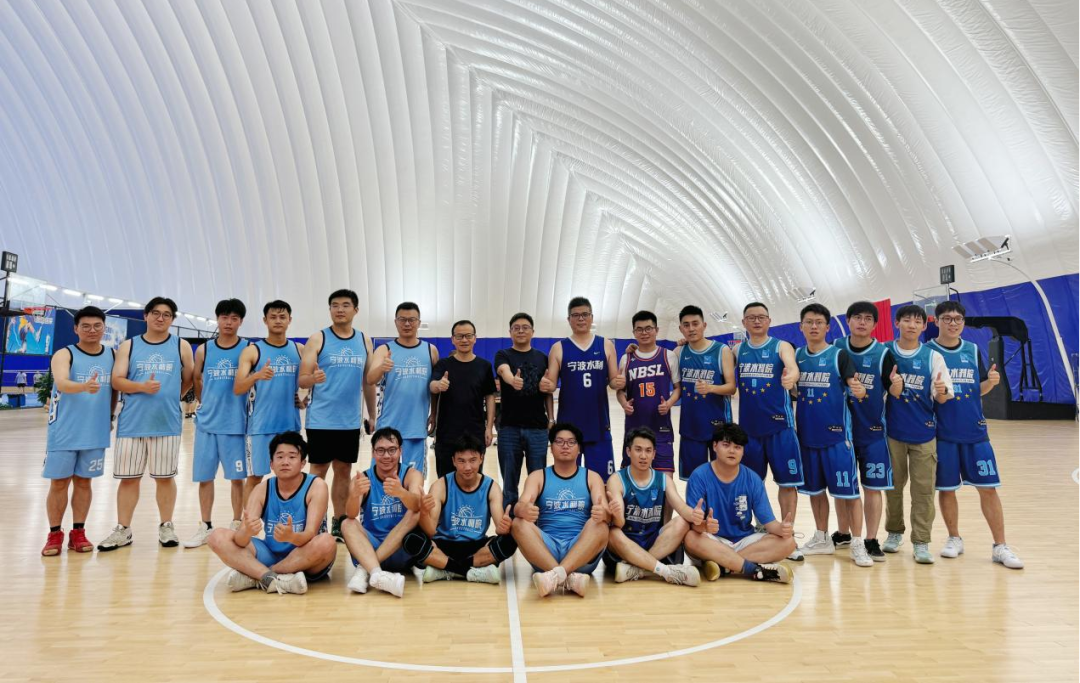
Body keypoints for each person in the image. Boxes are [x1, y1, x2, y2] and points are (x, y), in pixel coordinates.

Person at [928, 301, 1023, 569]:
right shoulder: (928, 352)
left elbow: (976, 388)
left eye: (958, 319)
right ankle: (954, 538)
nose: (953, 323)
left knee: (988, 488)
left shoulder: (971, 349)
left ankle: (1000, 546)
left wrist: (990, 384)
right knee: (947, 489)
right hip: (943, 433)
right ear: (937, 321)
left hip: (975, 431)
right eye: (947, 318)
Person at [98, 297, 195, 551]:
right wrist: (142, 387)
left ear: (172, 319)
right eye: (155, 313)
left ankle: (166, 526)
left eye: (166, 314)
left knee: (165, 477)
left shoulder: (181, 346)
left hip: (166, 422)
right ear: (146, 316)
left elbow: (188, 379)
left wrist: (171, 396)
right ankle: (123, 529)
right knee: (129, 479)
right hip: (132, 423)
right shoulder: (129, 346)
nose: (160, 318)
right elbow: (117, 380)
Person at [206, 431, 336, 595]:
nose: (285, 462)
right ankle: (274, 578)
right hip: (270, 553)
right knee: (216, 537)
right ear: (271, 464)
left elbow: (310, 534)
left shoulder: (316, 486)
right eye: (279, 457)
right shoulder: (262, 489)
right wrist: (247, 532)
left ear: (303, 463)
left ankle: (260, 576)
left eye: (292, 457)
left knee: (327, 542)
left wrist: (291, 537)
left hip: (305, 555)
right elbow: (240, 540)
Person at [792, 304, 872, 567]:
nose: (814, 326)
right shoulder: (796, 356)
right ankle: (822, 537)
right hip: (807, 437)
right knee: (815, 492)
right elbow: (792, 389)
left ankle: (857, 542)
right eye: (809, 322)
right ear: (801, 327)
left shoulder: (839, 355)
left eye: (819, 322)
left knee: (849, 493)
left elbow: (856, 388)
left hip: (837, 438)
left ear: (827, 327)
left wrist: (860, 391)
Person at [299, 289, 377, 542]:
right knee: (317, 472)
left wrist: (372, 414)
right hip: (321, 420)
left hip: (349, 421)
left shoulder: (364, 340)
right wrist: (312, 379)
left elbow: (368, 381)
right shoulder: (317, 339)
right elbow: (302, 379)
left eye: (345, 305)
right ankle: (314, 522)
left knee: (344, 472)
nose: (339, 309)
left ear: (356, 310)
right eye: (334, 305)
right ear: (330, 309)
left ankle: (339, 522)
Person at [41, 306, 117, 556]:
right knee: (59, 483)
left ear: (104, 328)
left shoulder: (112, 355)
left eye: (97, 326)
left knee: (84, 483)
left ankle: (78, 533)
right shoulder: (65, 354)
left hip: (95, 432)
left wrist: (110, 416)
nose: (92, 330)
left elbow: (114, 390)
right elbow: (62, 382)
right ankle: (54, 534)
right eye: (85, 326)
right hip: (64, 431)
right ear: (76, 329)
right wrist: (84, 386)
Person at [883, 305, 954, 564]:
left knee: (923, 491)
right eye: (906, 320)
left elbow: (943, 398)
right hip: (892, 433)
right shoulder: (885, 352)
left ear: (925, 326)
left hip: (924, 433)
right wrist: (892, 388)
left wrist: (941, 390)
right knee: (892, 487)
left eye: (917, 322)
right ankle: (894, 532)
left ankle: (922, 542)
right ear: (897, 323)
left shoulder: (933, 357)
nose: (911, 325)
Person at [833, 301, 903, 561]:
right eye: (857, 317)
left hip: (872, 432)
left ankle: (871, 539)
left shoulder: (883, 354)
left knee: (872, 488)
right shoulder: (836, 348)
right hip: (840, 433)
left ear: (875, 324)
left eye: (867, 318)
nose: (862, 322)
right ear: (848, 320)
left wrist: (897, 383)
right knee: (844, 487)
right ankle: (844, 533)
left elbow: (895, 392)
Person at [683, 423, 795, 584]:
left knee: (789, 542)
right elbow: (695, 527)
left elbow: (770, 524)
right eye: (726, 445)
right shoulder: (699, 476)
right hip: (713, 540)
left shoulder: (753, 479)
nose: (732, 451)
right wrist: (705, 526)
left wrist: (782, 529)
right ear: (715, 446)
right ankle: (749, 567)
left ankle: (724, 565)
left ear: (743, 451)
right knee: (690, 538)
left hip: (744, 541)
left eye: (737, 447)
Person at [512, 423, 610, 598]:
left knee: (601, 526)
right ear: (551, 448)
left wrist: (605, 513)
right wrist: (523, 510)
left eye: (571, 442)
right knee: (518, 524)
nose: (565, 446)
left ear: (579, 449)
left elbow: (606, 513)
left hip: (581, 551)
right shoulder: (538, 476)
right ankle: (567, 578)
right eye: (559, 441)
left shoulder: (592, 477)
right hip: (545, 552)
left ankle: (555, 576)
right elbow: (520, 505)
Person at [735, 302, 802, 557]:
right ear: (744, 322)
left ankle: (787, 535)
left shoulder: (781, 346)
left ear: (769, 321)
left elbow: (792, 366)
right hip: (749, 432)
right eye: (751, 317)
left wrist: (791, 376)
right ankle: (762, 528)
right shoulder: (737, 350)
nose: (756, 321)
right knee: (753, 484)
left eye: (761, 317)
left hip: (780, 428)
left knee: (787, 484)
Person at [404, 434, 518, 584]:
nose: (467, 467)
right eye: (461, 461)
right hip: (443, 545)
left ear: (481, 458)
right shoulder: (440, 486)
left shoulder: (491, 487)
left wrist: (504, 527)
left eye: (472, 460)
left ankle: (444, 569)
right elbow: (430, 531)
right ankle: (469, 571)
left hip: (476, 548)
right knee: (411, 539)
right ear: (453, 461)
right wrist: (424, 513)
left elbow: (499, 529)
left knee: (511, 540)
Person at [184, 299, 249, 548]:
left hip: (236, 425)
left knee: (237, 479)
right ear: (217, 319)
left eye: (234, 318)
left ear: (241, 321)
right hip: (207, 424)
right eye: (224, 317)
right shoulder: (204, 350)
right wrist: (206, 402)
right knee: (204, 478)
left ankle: (237, 523)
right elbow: (197, 378)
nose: (228, 322)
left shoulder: (247, 348)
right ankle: (205, 526)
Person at [605, 427, 700, 586]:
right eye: (638, 450)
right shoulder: (616, 480)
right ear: (628, 451)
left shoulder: (663, 480)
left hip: (654, 542)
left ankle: (636, 569)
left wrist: (695, 515)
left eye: (648, 451)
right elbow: (619, 524)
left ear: (654, 454)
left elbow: (683, 509)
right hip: (626, 543)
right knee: (612, 533)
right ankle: (666, 572)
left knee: (682, 522)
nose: (643, 456)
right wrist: (616, 514)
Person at [541, 297, 623, 480]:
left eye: (585, 314)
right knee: (568, 479)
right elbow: (551, 384)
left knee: (603, 481)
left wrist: (618, 382)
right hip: (568, 427)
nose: (581, 319)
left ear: (592, 317)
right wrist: (545, 384)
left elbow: (613, 381)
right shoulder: (558, 348)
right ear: (568, 319)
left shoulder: (605, 344)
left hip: (599, 424)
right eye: (576, 315)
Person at [235, 301, 305, 508]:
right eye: (273, 317)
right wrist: (256, 376)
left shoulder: (299, 350)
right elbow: (238, 387)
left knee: (291, 476)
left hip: (289, 426)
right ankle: (249, 520)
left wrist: (304, 400)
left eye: (282, 317)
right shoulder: (253, 351)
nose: (278, 321)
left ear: (290, 320)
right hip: (260, 427)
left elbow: (311, 379)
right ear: (265, 320)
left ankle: (289, 518)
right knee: (255, 477)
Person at [340, 427, 424, 597]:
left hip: (401, 551)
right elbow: (351, 514)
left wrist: (401, 493)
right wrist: (354, 495)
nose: (386, 456)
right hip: (368, 548)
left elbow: (417, 505)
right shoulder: (362, 478)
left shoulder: (411, 474)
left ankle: (365, 570)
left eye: (392, 450)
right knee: (346, 523)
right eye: (381, 450)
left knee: (415, 513)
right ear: (373, 453)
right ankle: (378, 574)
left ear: (400, 451)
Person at [366, 302, 438, 475]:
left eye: (411, 320)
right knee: (382, 478)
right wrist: (382, 367)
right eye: (402, 319)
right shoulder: (384, 349)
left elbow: (434, 388)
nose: (407, 324)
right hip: (388, 426)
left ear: (419, 322)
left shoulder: (431, 350)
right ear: (395, 322)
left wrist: (434, 413)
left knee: (414, 479)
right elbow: (370, 379)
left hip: (416, 427)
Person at [494, 312, 554, 508]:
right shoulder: (503, 354)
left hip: (537, 429)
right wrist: (512, 380)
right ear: (510, 332)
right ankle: (509, 521)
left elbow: (548, 391)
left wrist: (551, 419)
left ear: (532, 332)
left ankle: (534, 521)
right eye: (516, 328)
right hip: (509, 428)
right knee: (509, 485)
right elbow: (503, 370)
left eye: (525, 327)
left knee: (537, 482)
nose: (521, 331)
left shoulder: (542, 358)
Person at [615, 311, 681, 474]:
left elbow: (678, 388)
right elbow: (620, 391)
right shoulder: (626, 359)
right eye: (639, 329)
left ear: (656, 330)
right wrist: (624, 404)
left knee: (665, 481)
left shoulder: (669, 356)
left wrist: (669, 403)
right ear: (634, 332)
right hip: (634, 428)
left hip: (661, 428)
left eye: (648, 328)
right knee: (631, 481)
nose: (644, 333)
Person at [674, 306, 735, 480]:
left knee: (722, 478)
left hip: (719, 426)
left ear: (704, 325)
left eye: (695, 323)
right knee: (694, 480)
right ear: (681, 329)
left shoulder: (722, 350)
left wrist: (711, 388)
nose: (691, 328)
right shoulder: (679, 352)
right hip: (690, 427)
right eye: (686, 325)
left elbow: (732, 387)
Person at [430, 320, 496, 479]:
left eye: (468, 336)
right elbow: (432, 386)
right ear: (452, 339)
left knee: (473, 479)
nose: (464, 340)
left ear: (475, 338)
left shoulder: (484, 366)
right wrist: (439, 385)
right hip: (447, 432)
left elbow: (490, 397)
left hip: (475, 431)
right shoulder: (443, 364)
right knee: (445, 479)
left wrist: (489, 428)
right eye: (459, 336)